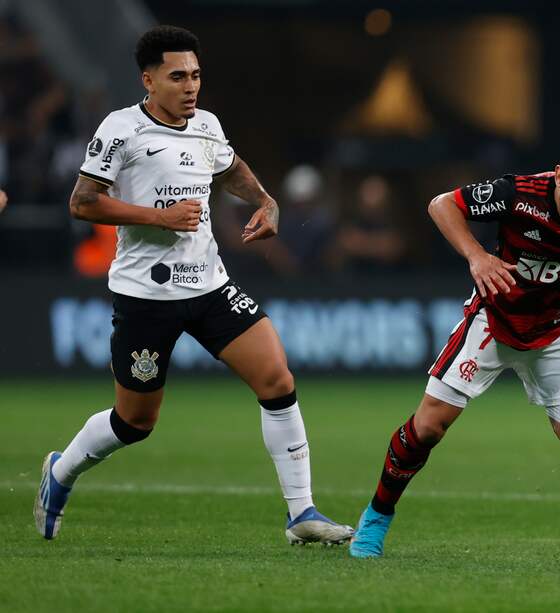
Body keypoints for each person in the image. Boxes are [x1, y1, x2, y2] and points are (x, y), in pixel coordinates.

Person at [34, 25, 352, 545]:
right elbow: (82, 202)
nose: (191, 86)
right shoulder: (121, 130)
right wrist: (157, 217)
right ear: (148, 79)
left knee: (277, 379)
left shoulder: (206, 125)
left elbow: (230, 168)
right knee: (135, 421)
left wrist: (266, 201)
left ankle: (302, 515)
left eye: (196, 75)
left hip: (209, 286)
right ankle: (61, 472)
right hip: (146, 296)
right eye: (178, 76)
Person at [349, 128, 560, 558]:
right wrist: (476, 255)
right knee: (428, 426)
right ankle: (376, 517)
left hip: (559, 329)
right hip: (495, 320)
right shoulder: (518, 194)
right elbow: (442, 205)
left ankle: (547, 390)